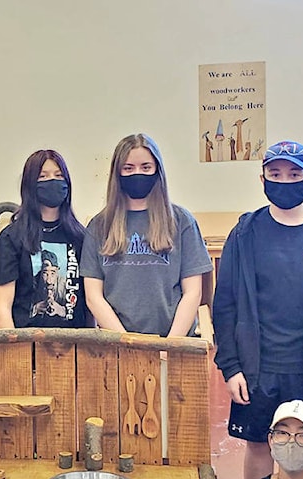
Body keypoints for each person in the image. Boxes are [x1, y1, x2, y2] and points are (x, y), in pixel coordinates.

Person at [213, 140, 303, 479]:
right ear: (262, 178)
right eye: (275, 173)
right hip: (257, 369)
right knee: (260, 448)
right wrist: (231, 367)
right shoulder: (245, 233)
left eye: (294, 173)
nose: (284, 180)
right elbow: (225, 304)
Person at [81, 133, 212, 337]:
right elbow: (93, 297)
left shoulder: (182, 221)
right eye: (128, 168)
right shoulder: (99, 226)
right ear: (117, 173)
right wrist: (127, 343)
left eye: (146, 167)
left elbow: (193, 293)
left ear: (157, 171)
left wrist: (170, 345)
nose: (137, 173)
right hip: (119, 347)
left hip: (174, 343)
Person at [0, 149, 89, 329]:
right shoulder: (11, 238)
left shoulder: (80, 236)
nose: (52, 180)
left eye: (59, 175)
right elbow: (2, 307)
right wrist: (12, 353)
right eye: (43, 177)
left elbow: (90, 302)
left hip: (74, 345)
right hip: (26, 346)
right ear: (29, 184)